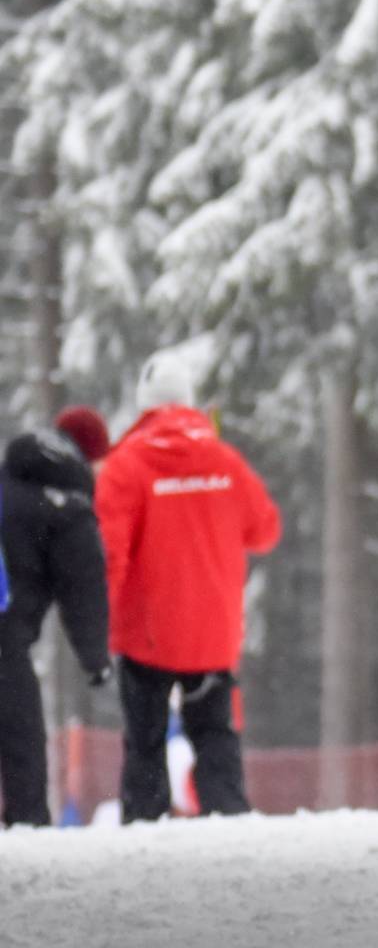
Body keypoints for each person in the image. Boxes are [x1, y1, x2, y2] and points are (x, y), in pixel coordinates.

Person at [97, 351, 281, 822]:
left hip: (146, 633)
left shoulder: (126, 465)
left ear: (145, 404)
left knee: (145, 740)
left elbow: (108, 552)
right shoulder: (224, 460)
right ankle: (229, 821)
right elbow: (265, 530)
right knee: (216, 735)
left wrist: (98, 621)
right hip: (212, 632)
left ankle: (144, 825)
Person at [0, 408, 112, 826]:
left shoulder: (8, 477)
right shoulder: (68, 507)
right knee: (21, 738)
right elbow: (84, 590)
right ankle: (27, 829)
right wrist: (96, 661)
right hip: (4, 633)